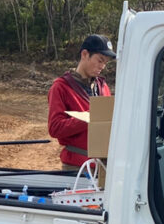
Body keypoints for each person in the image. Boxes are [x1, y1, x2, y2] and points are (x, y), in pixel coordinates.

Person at [47, 34, 116, 170]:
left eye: (105, 63)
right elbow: (55, 128)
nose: (102, 66)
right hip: (77, 168)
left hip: (104, 166)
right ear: (85, 54)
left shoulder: (103, 86)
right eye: (100, 60)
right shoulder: (61, 87)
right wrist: (90, 117)